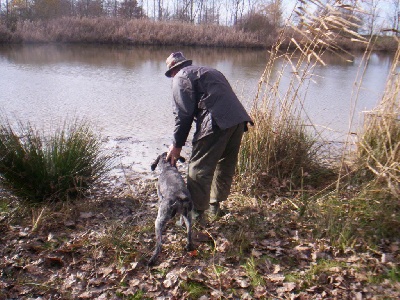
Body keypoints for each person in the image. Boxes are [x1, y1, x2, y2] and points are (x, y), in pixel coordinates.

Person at [164, 51, 253, 223]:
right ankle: (215, 207)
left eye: (170, 74)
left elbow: (183, 114)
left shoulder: (180, 78)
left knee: (198, 169)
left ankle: (196, 216)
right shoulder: (211, 71)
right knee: (223, 165)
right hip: (238, 121)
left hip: (216, 122)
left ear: (173, 70)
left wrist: (176, 145)